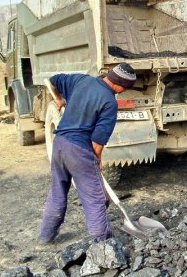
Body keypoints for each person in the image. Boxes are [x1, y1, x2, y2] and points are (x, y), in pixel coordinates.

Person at [39, 63, 136, 243]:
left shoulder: (82, 80)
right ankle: (104, 242)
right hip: (79, 150)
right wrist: (97, 160)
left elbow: (52, 81)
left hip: (59, 144)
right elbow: (97, 141)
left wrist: (59, 99)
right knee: (95, 198)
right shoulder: (109, 103)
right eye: (125, 88)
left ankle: (46, 235)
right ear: (120, 86)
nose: (123, 91)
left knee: (57, 191)